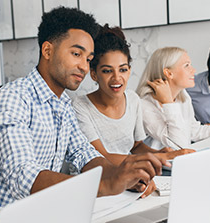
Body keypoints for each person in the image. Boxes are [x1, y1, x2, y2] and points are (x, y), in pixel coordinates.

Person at [0, 7, 165, 212]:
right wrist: (105, 185)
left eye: (88, 59)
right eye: (76, 54)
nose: (84, 66)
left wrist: (121, 176)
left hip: (44, 214)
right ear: (47, 51)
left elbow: (83, 154)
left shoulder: (63, 103)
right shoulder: (11, 99)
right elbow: (23, 175)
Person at [72, 25, 194, 168]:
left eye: (123, 69)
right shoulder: (80, 107)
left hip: (126, 173)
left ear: (129, 71)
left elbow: (136, 147)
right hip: (96, 178)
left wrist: (158, 153)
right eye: (107, 71)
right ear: (94, 74)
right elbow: (100, 157)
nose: (117, 78)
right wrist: (161, 156)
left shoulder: (133, 99)